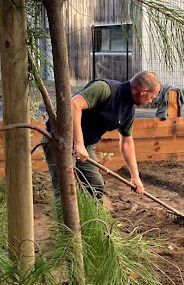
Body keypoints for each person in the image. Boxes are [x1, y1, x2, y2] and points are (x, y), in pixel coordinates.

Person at [44, 70, 161, 199]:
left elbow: (127, 143)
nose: (150, 101)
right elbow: (74, 104)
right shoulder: (104, 89)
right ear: (143, 91)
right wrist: (79, 144)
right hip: (60, 139)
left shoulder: (129, 110)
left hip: (86, 145)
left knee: (95, 185)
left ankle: (90, 217)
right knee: (66, 188)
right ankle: (65, 218)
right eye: (151, 97)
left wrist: (135, 177)